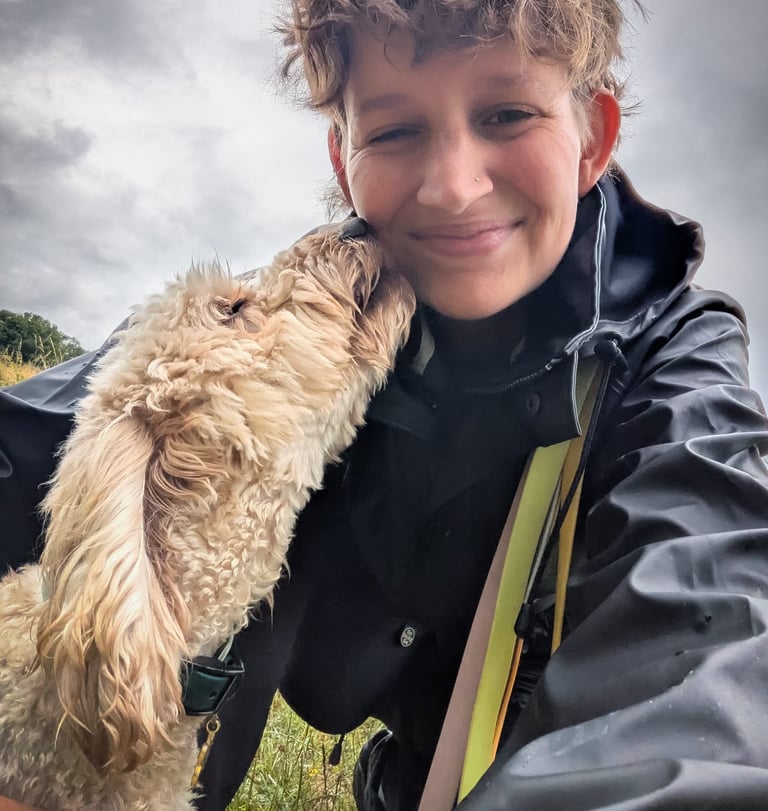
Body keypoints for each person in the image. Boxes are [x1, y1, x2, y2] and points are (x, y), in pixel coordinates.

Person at [3, 1, 768, 809]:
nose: (452, 187)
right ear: (344, 160)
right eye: (396, 131)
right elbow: (46, 436)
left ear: (594, 139)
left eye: (507, 114)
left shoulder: (669, 361)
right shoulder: (306, 318)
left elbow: (711, 670)